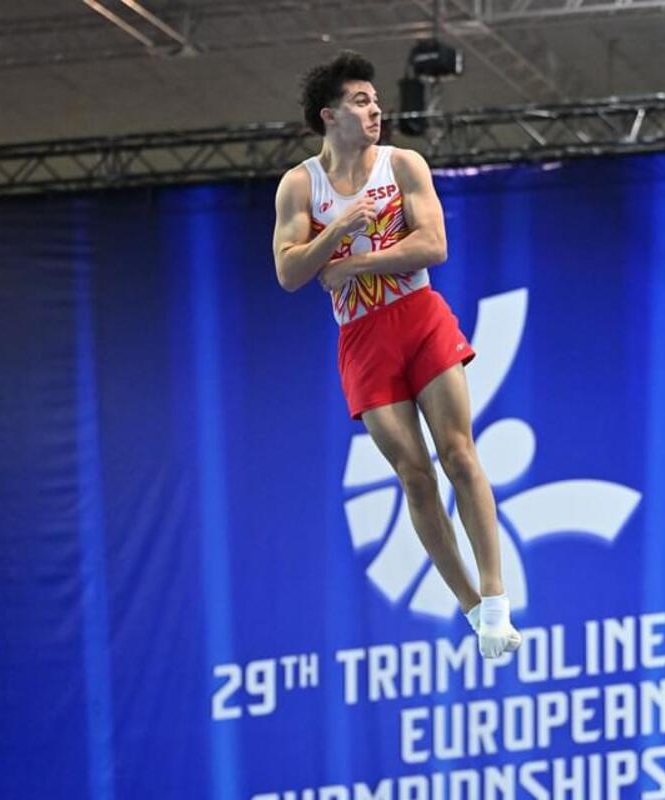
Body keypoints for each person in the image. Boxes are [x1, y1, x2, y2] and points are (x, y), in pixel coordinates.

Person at [271, 51, 521, 658]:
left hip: (418, 316)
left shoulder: (404, 164)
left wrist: (352, 261)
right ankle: (471, 608)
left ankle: (496, 596)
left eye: (376, 99)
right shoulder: (302, 185)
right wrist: (337, 229)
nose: (375, 108)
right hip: (362, 338)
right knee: (414, 474)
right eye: (360, 101)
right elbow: (288, 272)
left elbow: (433, 246)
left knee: (459, 453)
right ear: (329, 116)